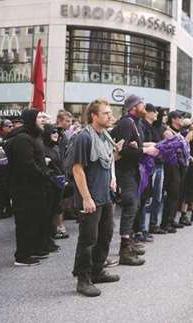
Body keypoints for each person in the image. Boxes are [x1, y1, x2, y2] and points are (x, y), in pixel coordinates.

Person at [70, 98, 120, 297]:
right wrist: (86, 197)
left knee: (105, 234)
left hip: (105, 195)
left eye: (110, 113)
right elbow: (77, 168)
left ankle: (97, 271)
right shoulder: (84, 137)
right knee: (88, 239)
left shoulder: (105, 135)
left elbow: (109, 159)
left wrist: (113, 177)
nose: (110, 116)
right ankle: (83, 279)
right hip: (90, 197)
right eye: (106, 113)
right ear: (93, 116)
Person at [110, 95, 158, 266]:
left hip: (133, 170)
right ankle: (124, 249)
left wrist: (147, 146)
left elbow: (136, 145)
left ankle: (128, 242)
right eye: (142, 104)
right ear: (134, 106)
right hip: (124, 171)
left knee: (135, 204)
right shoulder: (126, 122)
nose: (144, 106)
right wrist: (144, 151)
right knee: (131, 204)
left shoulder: (135, 122)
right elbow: (121, 151)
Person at [5, 109, 51, 266]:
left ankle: (33, 249)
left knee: (35, 220)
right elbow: (27, 165)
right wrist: (43, 174)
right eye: (39, 117)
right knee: (25, 222)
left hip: (34, 187)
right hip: (24, 189)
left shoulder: (32, 136)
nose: (42, 120)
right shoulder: (23, 139)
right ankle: (22, 256)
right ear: (31, 119)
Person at [132, 103, 159, 243]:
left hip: (148, 166)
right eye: (153, 111)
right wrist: (149, 146)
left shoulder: (148, 126)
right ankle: (137, 231)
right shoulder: (139, 125)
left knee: (144, 200)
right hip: (141, 166)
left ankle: (141, 229)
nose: (156, 114)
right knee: (140, 201)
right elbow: (139, 145)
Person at [160, 111, 191, 229]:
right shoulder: (168, 132)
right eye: (180, 118)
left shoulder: (179, 133)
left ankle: (172, 219)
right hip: (171, 165)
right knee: (172, 194)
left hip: (180, 166)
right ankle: (166, 222)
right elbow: (173, 147)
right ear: (173, 119)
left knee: (177, 194)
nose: (182, 120)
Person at [40, 124, 65, 254]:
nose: (56, 134)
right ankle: (45, 241)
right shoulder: (42, 147)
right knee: (47, 214)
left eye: (57, 132)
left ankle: (50, 239)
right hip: (48, 184)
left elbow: (59, 163)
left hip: (58, 183)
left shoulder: (55, 147)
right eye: (53, 132)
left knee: (54, 211)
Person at [0, 119, 13, 221]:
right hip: (2, 168)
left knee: (5, 190)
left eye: (11, 126)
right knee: (2, 190)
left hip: (9, 168)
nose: (11, 127)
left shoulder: (10, 137)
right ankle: (0, 212)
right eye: (8, 126)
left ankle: (5, 211)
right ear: (2, 128)